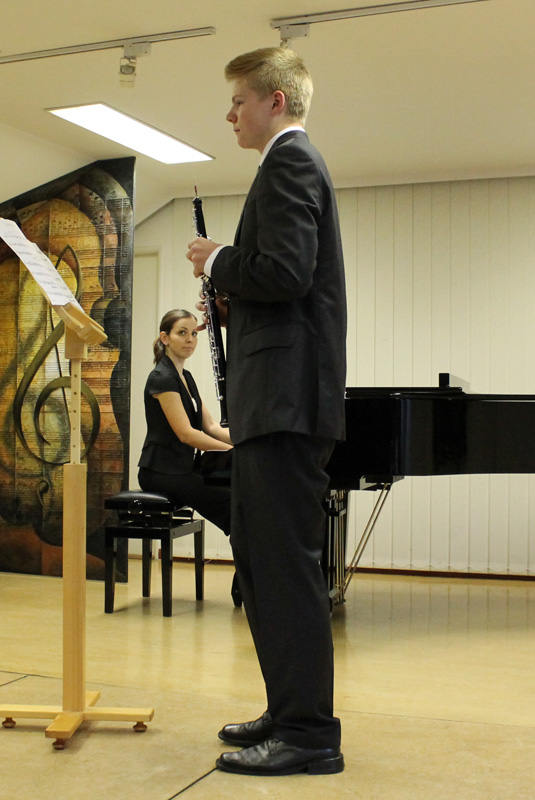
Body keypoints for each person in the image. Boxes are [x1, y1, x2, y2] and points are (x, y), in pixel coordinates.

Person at [187, 47, 347, 777]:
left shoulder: (288, 163)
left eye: (238, 101)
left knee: (283, 570)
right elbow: (285, 284)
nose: (230, 115)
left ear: (274, 101)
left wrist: (217, 259)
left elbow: (283, 272)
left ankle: (310, 735)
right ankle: (288, 711)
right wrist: (232, 299)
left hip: (283, 403)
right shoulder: (286, 166)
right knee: (262, 565)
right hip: (275, 402)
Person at [138, 308, 232, 540]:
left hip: (182, 468)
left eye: (194, 333)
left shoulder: (186, 377)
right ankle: (250, 554)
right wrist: (231, 450)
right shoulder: (162, 377)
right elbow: (186, 434)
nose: (190, 339)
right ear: (165, 338)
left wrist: (244, 442)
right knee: (232, 503)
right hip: (161, 471)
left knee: (237, 489)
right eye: (182, 332)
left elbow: (211, 427)